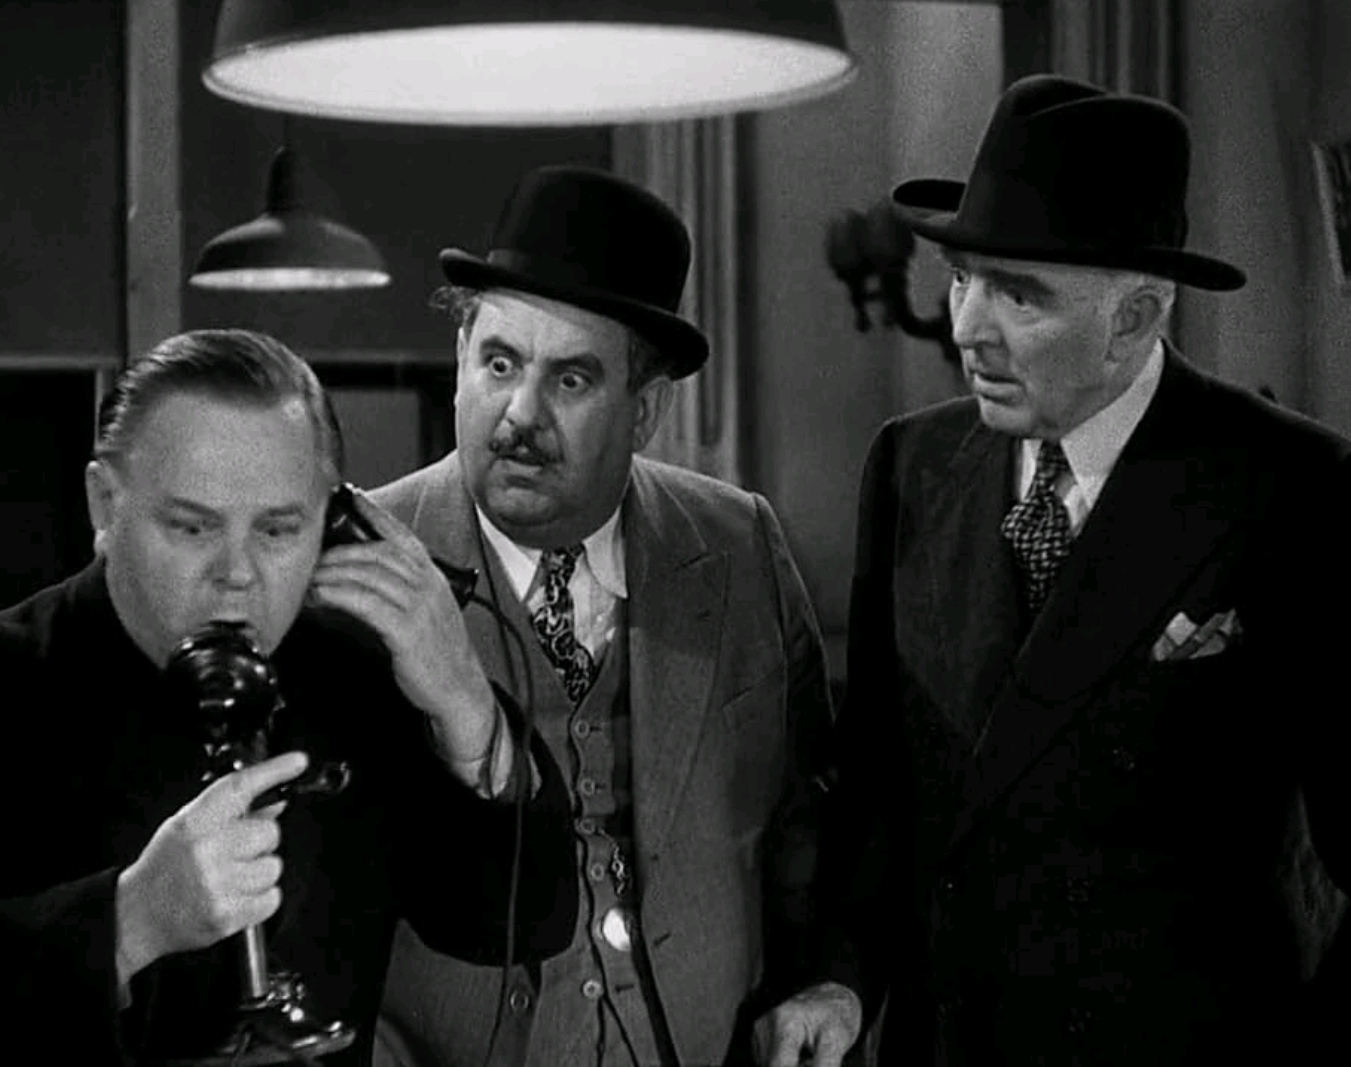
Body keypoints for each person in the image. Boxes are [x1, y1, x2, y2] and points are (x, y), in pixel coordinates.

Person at [754, 73, 1351, 1066]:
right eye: (960, 277)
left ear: (1135, 317)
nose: (963, 326)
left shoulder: (1287, 485)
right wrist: (841, 977)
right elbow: (878, 790)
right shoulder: (909, 466)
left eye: (1017, 294)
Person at [0, 329, 576, 1065]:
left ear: (332, 520)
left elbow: (522, 925)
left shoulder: (358, 676)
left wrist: (462, 701)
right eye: (193, 527)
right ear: (105, 505)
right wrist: (129, 922)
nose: (237, 572)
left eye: (278, 530)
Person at [361, 164, 833, 1067]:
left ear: (644, 410)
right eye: (499, 363)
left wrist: (822, 979)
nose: (520, 414)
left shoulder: (738, 545)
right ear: (459, 360)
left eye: (571, 380)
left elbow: (811, 821)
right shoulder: (365, 566)